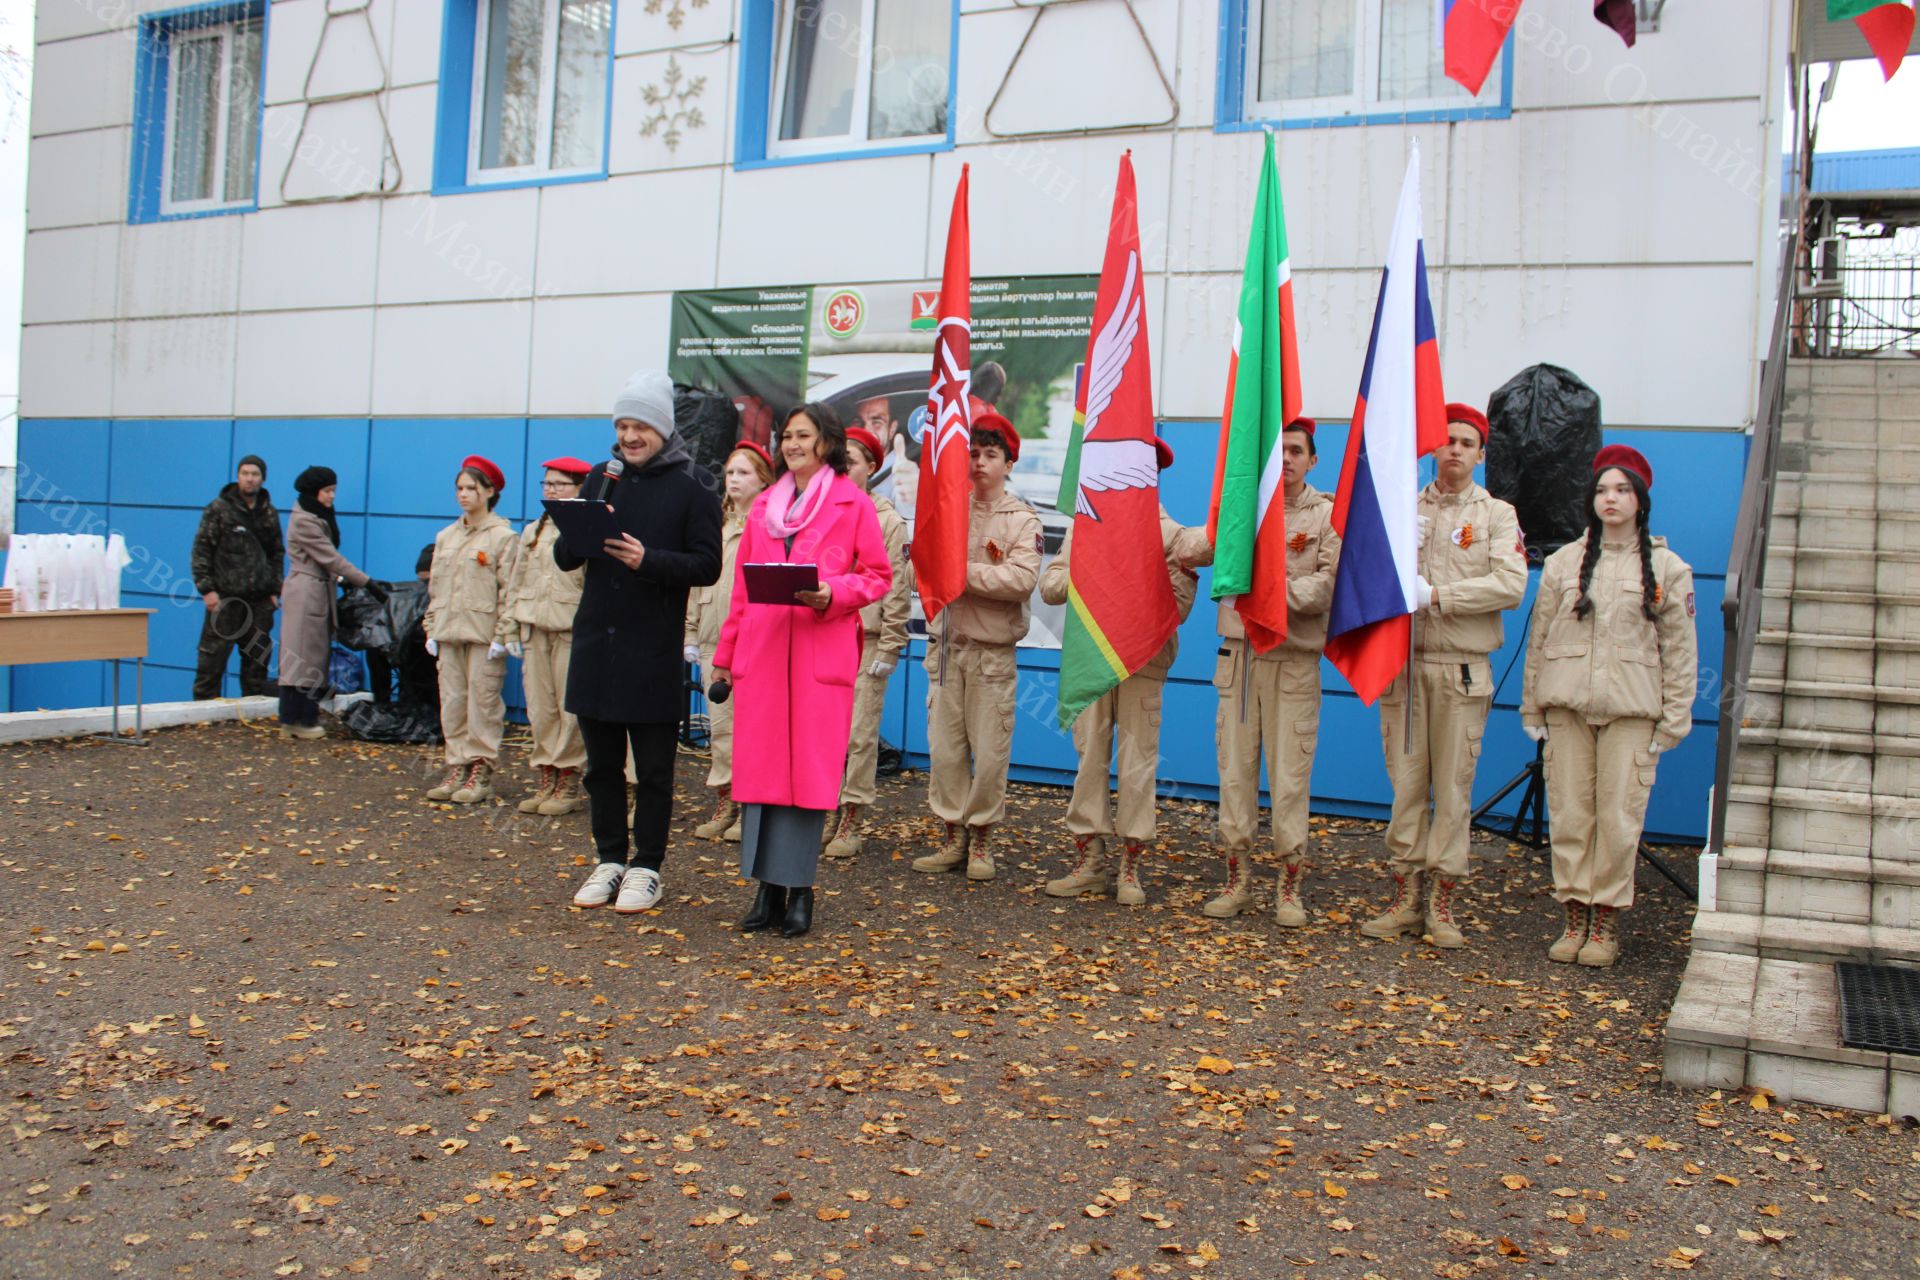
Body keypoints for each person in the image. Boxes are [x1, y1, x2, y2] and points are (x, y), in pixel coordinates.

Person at [711, 403, 892, 937]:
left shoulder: (853, 503)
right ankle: (766, 888)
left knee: (808, 777)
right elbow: (742, 590)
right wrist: (725, 657)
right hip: (764, 653)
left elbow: (877, 575)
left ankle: (800, 890)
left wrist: (833, 592)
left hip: (819, 652)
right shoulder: (765, 506)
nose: (791, 444)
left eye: (803, 435)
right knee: (762, 774)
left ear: (826, 442)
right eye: (787, 435)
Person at [1521, 445, 1696, 968]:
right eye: (1601, 490)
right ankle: (1574, 914)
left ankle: (1605, 921)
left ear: (1641, 499)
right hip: (1567, 707)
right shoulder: (1563, 563)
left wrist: (1674, 718)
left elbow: (1680, 650)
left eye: (1622, 489)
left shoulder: (1668, 568)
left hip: (1632, 712)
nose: (1610, 499)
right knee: (1571, 814)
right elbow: (1539, 640)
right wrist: (1532, 708)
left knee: (1618, 819)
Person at [1360, 403, 1527, 949]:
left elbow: (1511, 585)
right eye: (1447, 439)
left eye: (1466, 442)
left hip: (1460, 670)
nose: (1454, 449)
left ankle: (1443, 903)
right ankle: (1407, 898)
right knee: (1406, 786)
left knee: (1453, 788)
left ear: (1481, 454)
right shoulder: (1403, 506)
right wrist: (1392, 552)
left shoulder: (1497, 515)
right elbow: (1362, 577)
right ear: (1433, 446)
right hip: (1405, 668)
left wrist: (1438, 596)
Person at [565, 371, 723, 915]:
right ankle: (609, 858)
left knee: (653, 771)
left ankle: (647, 866)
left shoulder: (694, 484)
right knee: (600, 768)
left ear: (662, 427)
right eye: (622, 426)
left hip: (651, 649)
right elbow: (566, 557)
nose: (629, 437)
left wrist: (647, 560)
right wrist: (578, 529)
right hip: (596, 646)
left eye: (640, 426)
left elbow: (707, 564)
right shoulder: (600, 477)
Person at [1040, 437, 1206, 906]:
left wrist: (1132, 589)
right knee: (1090, 759)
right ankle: (1090, 862)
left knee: (1138, 764)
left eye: (1142, 467)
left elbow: (1178, 607)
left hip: (1142, 662)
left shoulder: (1169, 533)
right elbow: (1051, 585)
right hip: (1091, 657)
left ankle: (1131, 864)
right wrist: (1092, 572)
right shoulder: (1087, 523)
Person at [1201, 417, 1342, 924]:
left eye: (1296, 450)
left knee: (1289, 778)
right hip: (1240, 659)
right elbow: (1216, 562)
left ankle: (1289, 885)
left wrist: (1268, 595)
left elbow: (1327, 585)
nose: (1286, 458)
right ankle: (1236, 879)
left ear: (1313, 460)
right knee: (1235, 775)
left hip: (1292, 661)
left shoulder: (1327, 516)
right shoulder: (1242, 507)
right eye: (1279, 449)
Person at [912, 400, 1042, 882]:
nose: (980, 462)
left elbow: (1022, 579)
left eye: (991, 454)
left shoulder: (1022, 520)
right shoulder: (947, 510)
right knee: (945, 751)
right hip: (947, 652)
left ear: (1009, 464)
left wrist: (958, 573)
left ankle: (982, 837)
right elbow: (918, 571)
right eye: (973, 453)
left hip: (991, 656)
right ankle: (952, 836)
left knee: (989, 754)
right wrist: (937, 566)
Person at [825, 424, 912, 859]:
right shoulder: (823, 511)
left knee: (860, 734)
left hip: (868, 638)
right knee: (826, 732)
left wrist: (892, 643)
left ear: (872, 467)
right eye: (838, 462)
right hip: (826, 634)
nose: (842, 469)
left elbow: (896, 585)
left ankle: (852, 814)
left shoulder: (886, 520)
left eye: (851, 462)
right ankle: (825, 806)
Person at [685, 441, 775, 842]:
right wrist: (690, 632)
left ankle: (751, 806)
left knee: (752, 729)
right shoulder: (717, 527)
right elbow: (697, 582)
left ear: (764, 481)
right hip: (712, 640)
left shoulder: (770, 527)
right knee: (721, 728)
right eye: (730, 473)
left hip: (753, 645)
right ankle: (725, 800)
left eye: (744, 473)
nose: (733, 480)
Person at [423, 456, 520, 805]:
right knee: (452, 702)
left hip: (483, 635)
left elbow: (510, 589)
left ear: (489, 492)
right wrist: (431, 628)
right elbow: (436, 588)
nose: (463, 494)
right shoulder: (446, 537)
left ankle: (481, 768)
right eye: (459, 488)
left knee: (483, 703)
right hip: (449, 633)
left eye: (471, 488)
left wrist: (503, 634)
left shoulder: (502, 537)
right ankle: (457, 765)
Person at [504, 457, 591, 816]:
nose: (551, 490)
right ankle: (546, 773)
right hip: (534, 627)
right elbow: (516, 581)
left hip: (570, 629)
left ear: (579, 489)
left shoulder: (586, 528)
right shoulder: (533, 531)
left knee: (569, 710)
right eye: (547, 484)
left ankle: (567, 776)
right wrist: (510, 626)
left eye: (559, 484)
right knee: (540, 708)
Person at [279, 466, 382, 739]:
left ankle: (295, 718)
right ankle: (300, 721)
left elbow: (325, 561)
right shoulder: (306, 521)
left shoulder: (313, 514)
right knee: (303, 658)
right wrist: (366, 582)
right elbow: (329, 557)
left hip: (315, 590)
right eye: (327, 491)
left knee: (307, 656)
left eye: (333, 490)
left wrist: (341, 579)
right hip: (307, 594)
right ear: (314, 492)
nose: (332, 496)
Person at [191, 454, 284, 699]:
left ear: (263, 479)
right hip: (225, 599)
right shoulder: (219, 509)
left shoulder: (269, 513)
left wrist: (275, 590)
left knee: (257, 666)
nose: (249, 479)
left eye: (255, 474)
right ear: (237, 476)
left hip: (260, 602)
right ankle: (202, 713)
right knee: (211, 664)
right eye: (245, 473)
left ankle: (253, 715)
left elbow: (277, 553)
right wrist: (206, 589)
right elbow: (202, 549)